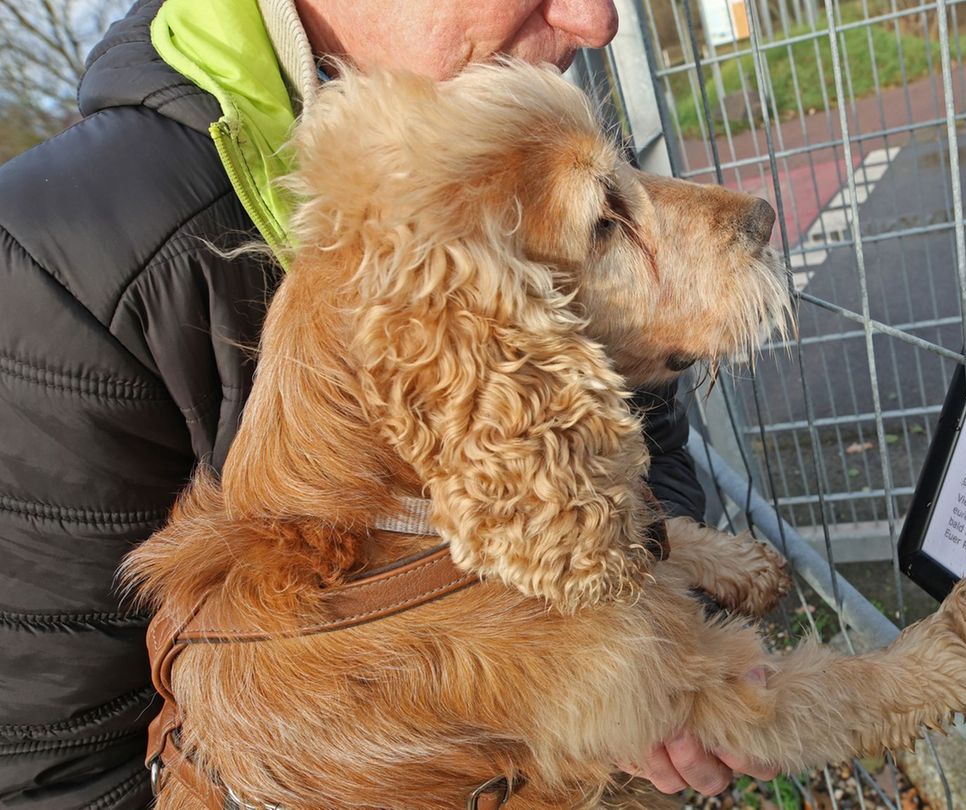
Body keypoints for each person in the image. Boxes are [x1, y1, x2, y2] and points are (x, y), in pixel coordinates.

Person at [0, 0, 777, 806]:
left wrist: (653, 637)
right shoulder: (58, 267)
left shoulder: (502, 120)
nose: (595, 21)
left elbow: (650, 443)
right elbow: (57, 773)